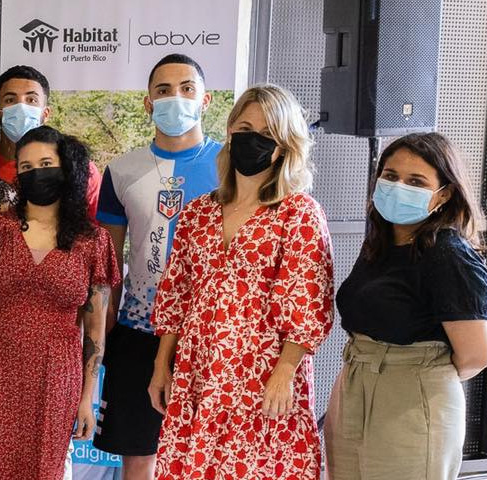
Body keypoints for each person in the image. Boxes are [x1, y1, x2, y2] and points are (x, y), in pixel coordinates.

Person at [148, 84, 332, 479]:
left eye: (267, 134)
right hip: (198, 370)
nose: (253, 139)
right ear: (229, 132)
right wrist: (163, 366)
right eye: (245, 127)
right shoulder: (199, 212)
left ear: (284, 147)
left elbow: (308, 302)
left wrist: (285, 372)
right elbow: (176, 295)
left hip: (263, 373)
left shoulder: (298, 213)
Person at [0, 126, 119, 480]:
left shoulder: (92, 242)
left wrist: (87, 398)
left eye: (46, 163)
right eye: (25, 167)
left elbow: (95, 332)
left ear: (66, 168)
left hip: (55, 377)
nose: (35, 173)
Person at [326, 132, 487, 480]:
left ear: (443, 194)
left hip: (412, 396)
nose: (399, 186)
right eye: (390, 176)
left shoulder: (448, 254)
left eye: (416, 181)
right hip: (356, 382)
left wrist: (417, 373)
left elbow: (476, 354)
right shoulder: (381, 243)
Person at [92, 53, 221, 480]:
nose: (175, 98)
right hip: (140, 330)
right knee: (140, 455)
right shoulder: (121, 170)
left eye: (187, 89)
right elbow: (108, 264)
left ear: (205, 101)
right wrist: (100, 328)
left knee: (206, 457)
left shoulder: (231, 167)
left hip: (211, 334)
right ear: (148, 103)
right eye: (163, 90)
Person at [0, 65, 100, 216]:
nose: (21, 108)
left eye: (31, 100)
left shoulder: (79, 169)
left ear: (46, 113)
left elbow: (98, 232)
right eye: (10, 100)